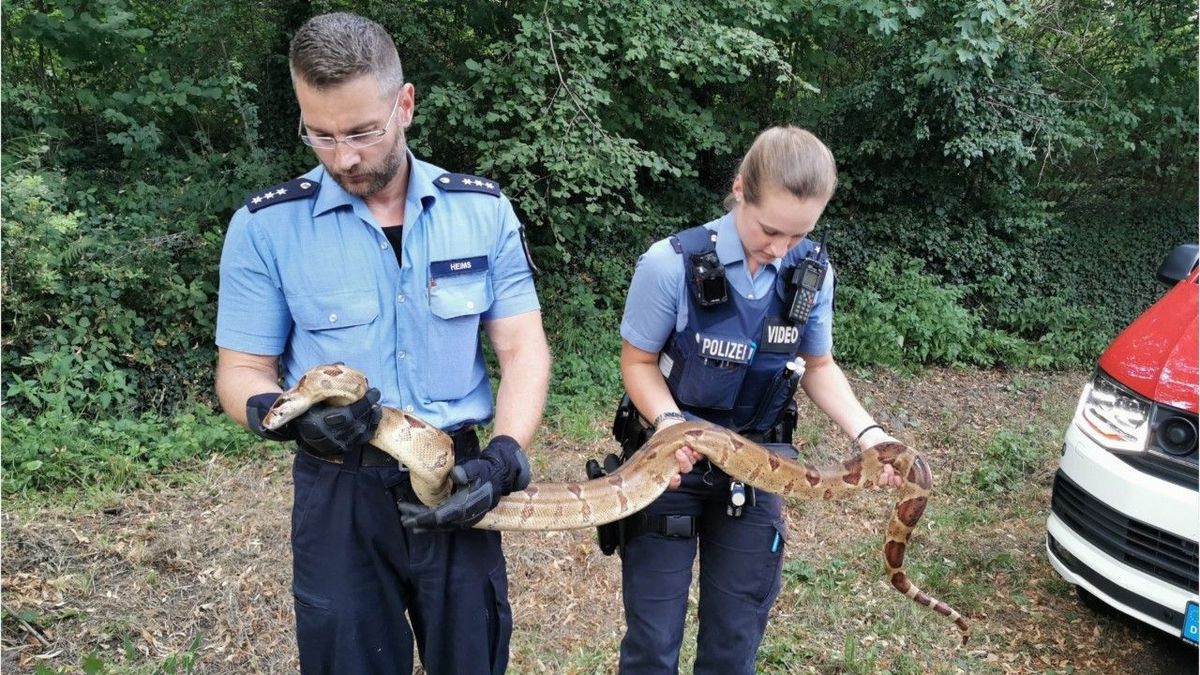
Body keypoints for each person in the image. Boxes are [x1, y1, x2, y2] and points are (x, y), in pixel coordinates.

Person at [214, 12, 552, 674]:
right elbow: (242, 369)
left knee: (474, 657)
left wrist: (505, 458)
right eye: (321, 134)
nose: (343, 156)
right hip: (338, 490)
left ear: (405, 104)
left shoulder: (480, 211)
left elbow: (523, 351)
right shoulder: (264, 228)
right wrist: (290, 421)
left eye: (363, 131)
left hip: (457, 476)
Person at [613, 126, 902, 674]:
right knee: (653, 640)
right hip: (671, 468)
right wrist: (675, 428)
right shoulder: (668, 264)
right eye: (770, 230)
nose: (780, 249)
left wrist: (871, 436)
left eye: (797, 236)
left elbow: (818, 367)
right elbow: (637, 363)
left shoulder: (811, 276)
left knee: (735, 638)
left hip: (760, 468)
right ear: (740, 188)